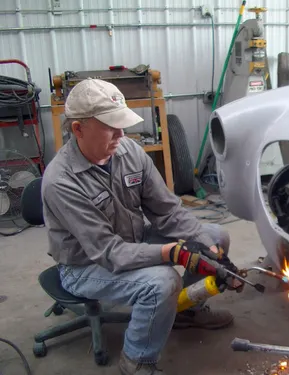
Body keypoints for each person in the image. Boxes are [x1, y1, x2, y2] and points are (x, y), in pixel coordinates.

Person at [41, 78, 235, 375]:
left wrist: (208, 249)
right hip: (85, 265)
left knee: (215, 235)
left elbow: (168, 212)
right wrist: (173, 253)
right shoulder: (61, 181)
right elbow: (110, 252)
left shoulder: (129, 152)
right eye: (110, 126)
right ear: (78, 129)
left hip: (133, 236)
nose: (122, 133)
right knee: (162, 281)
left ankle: (187, 310)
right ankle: (137, 360)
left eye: (122, 124)